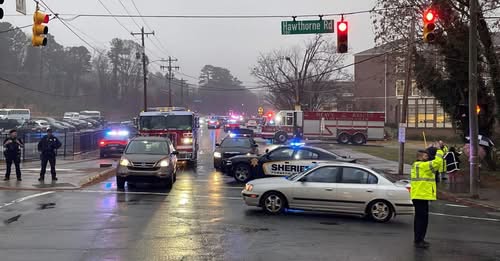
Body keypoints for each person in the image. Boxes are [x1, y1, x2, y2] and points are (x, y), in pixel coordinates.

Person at [411, 149, 440, 249]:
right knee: (421, 219)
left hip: (420, 195)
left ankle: (419, 239)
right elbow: (437, 162)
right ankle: (419, 240)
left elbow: (436, 166)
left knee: (421, 219)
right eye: (425, 156)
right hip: (420, 195)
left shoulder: (420, 165)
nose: (427, 158)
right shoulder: (422, 165)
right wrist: (439, 151)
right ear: (419, 157)